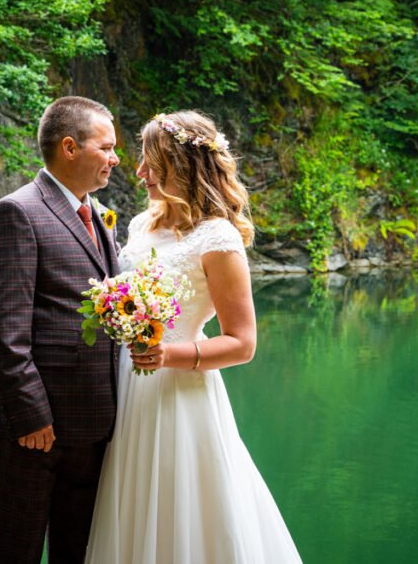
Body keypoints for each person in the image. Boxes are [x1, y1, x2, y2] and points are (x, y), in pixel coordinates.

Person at [85, 111, 303, 563]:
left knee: (186, 513)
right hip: (128, 390)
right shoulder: (140, 226)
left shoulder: (218, 238)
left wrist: (169, 354)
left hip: (182, 395)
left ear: (180, 165)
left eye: (150, 162)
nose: (139, 172)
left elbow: (242, 343)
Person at [0, 96, 122, 563]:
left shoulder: (99, 216)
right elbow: (2, 328)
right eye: (107, 147)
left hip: (92, 425)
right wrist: (32, 415)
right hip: (34, 430)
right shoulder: (16, 212)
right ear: (70, 148)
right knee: (19, 551)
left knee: (76, 553)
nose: (115, 159)